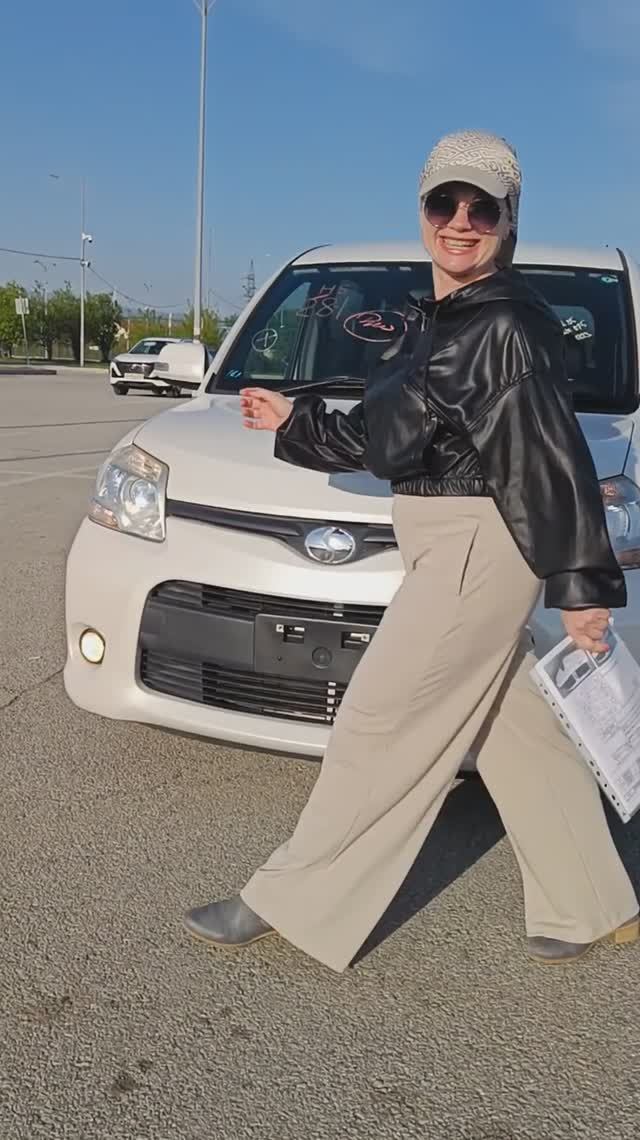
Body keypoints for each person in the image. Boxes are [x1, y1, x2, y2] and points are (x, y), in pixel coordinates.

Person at [184, 130, 639, 971]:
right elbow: (396, 436)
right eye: (444, 202)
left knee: (378, 720)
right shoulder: (444, 319)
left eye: (482, 209)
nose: (460, 222)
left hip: (477, 545)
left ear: (510, 220)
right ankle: (591, 901)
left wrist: (580, 587)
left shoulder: (502, 323)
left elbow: (549, 458)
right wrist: (296, 421)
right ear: (422, 208)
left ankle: (290, 899)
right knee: (509, 724)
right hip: (450, 541)